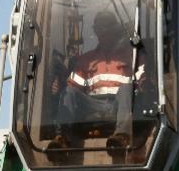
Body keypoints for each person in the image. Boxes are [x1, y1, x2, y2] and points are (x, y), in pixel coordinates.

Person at [48, 10, 143, 157]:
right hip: (93, 106)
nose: (104, 33)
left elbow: (143, 83)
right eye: (100, 29)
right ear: (96, 32)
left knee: (126, 88)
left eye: (107, 29)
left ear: (115, 31)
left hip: (119, 104)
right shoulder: (87, 60)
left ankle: (121, 136)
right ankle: (62, 140)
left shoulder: (132, 56)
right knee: (69, 92)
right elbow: (72, 87)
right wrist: (57, 87)